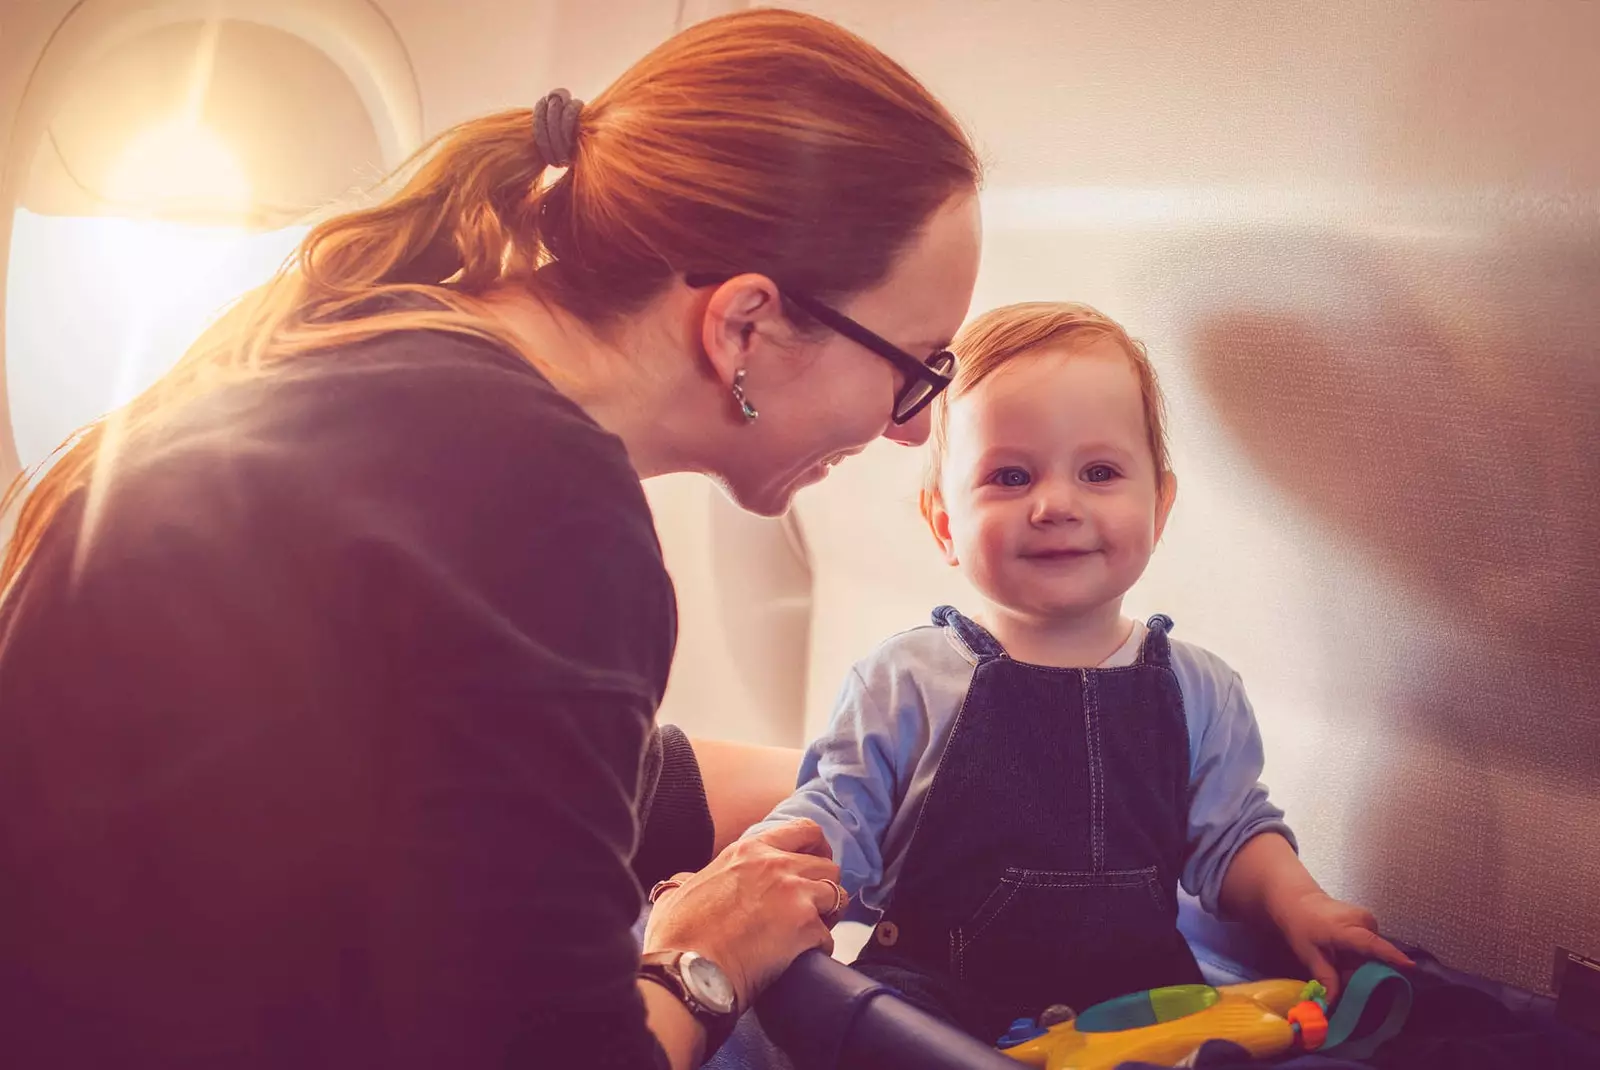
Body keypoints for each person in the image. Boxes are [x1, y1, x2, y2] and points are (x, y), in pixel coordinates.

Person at [0, 10, 981, 1069]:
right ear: (743, 323)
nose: (916, 425)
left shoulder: (378, 357)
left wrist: (863, 776)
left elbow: (461, 759)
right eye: (915, 367)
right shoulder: (541, 498)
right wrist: (703, 952)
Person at [746, 302, 1414, 1046]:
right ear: (944, 525)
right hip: (938, 1011)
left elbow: (1233, 834)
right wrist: (758, 873)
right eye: (1009, 475)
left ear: (1158, 508)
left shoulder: (1200, 689)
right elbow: (837, 813)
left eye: (1099, 472)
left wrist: (1302, 905)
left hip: (1135, 1009)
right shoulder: (904, 679)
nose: (1056, 505)